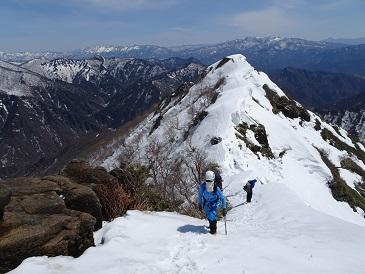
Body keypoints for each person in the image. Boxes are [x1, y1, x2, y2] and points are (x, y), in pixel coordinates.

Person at [198, 170, 227, 234]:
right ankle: (211, 224)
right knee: (208, 215)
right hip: (207, 203)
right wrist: (199, 204)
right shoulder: (203, 186)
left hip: (215, 203)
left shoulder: (216, 188)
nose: (208, 183)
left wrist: (224, 208)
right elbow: (200, 195)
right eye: (207, 181)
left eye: (210, 181)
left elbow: (222, 198)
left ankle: (213, 229)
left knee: (212, 215)